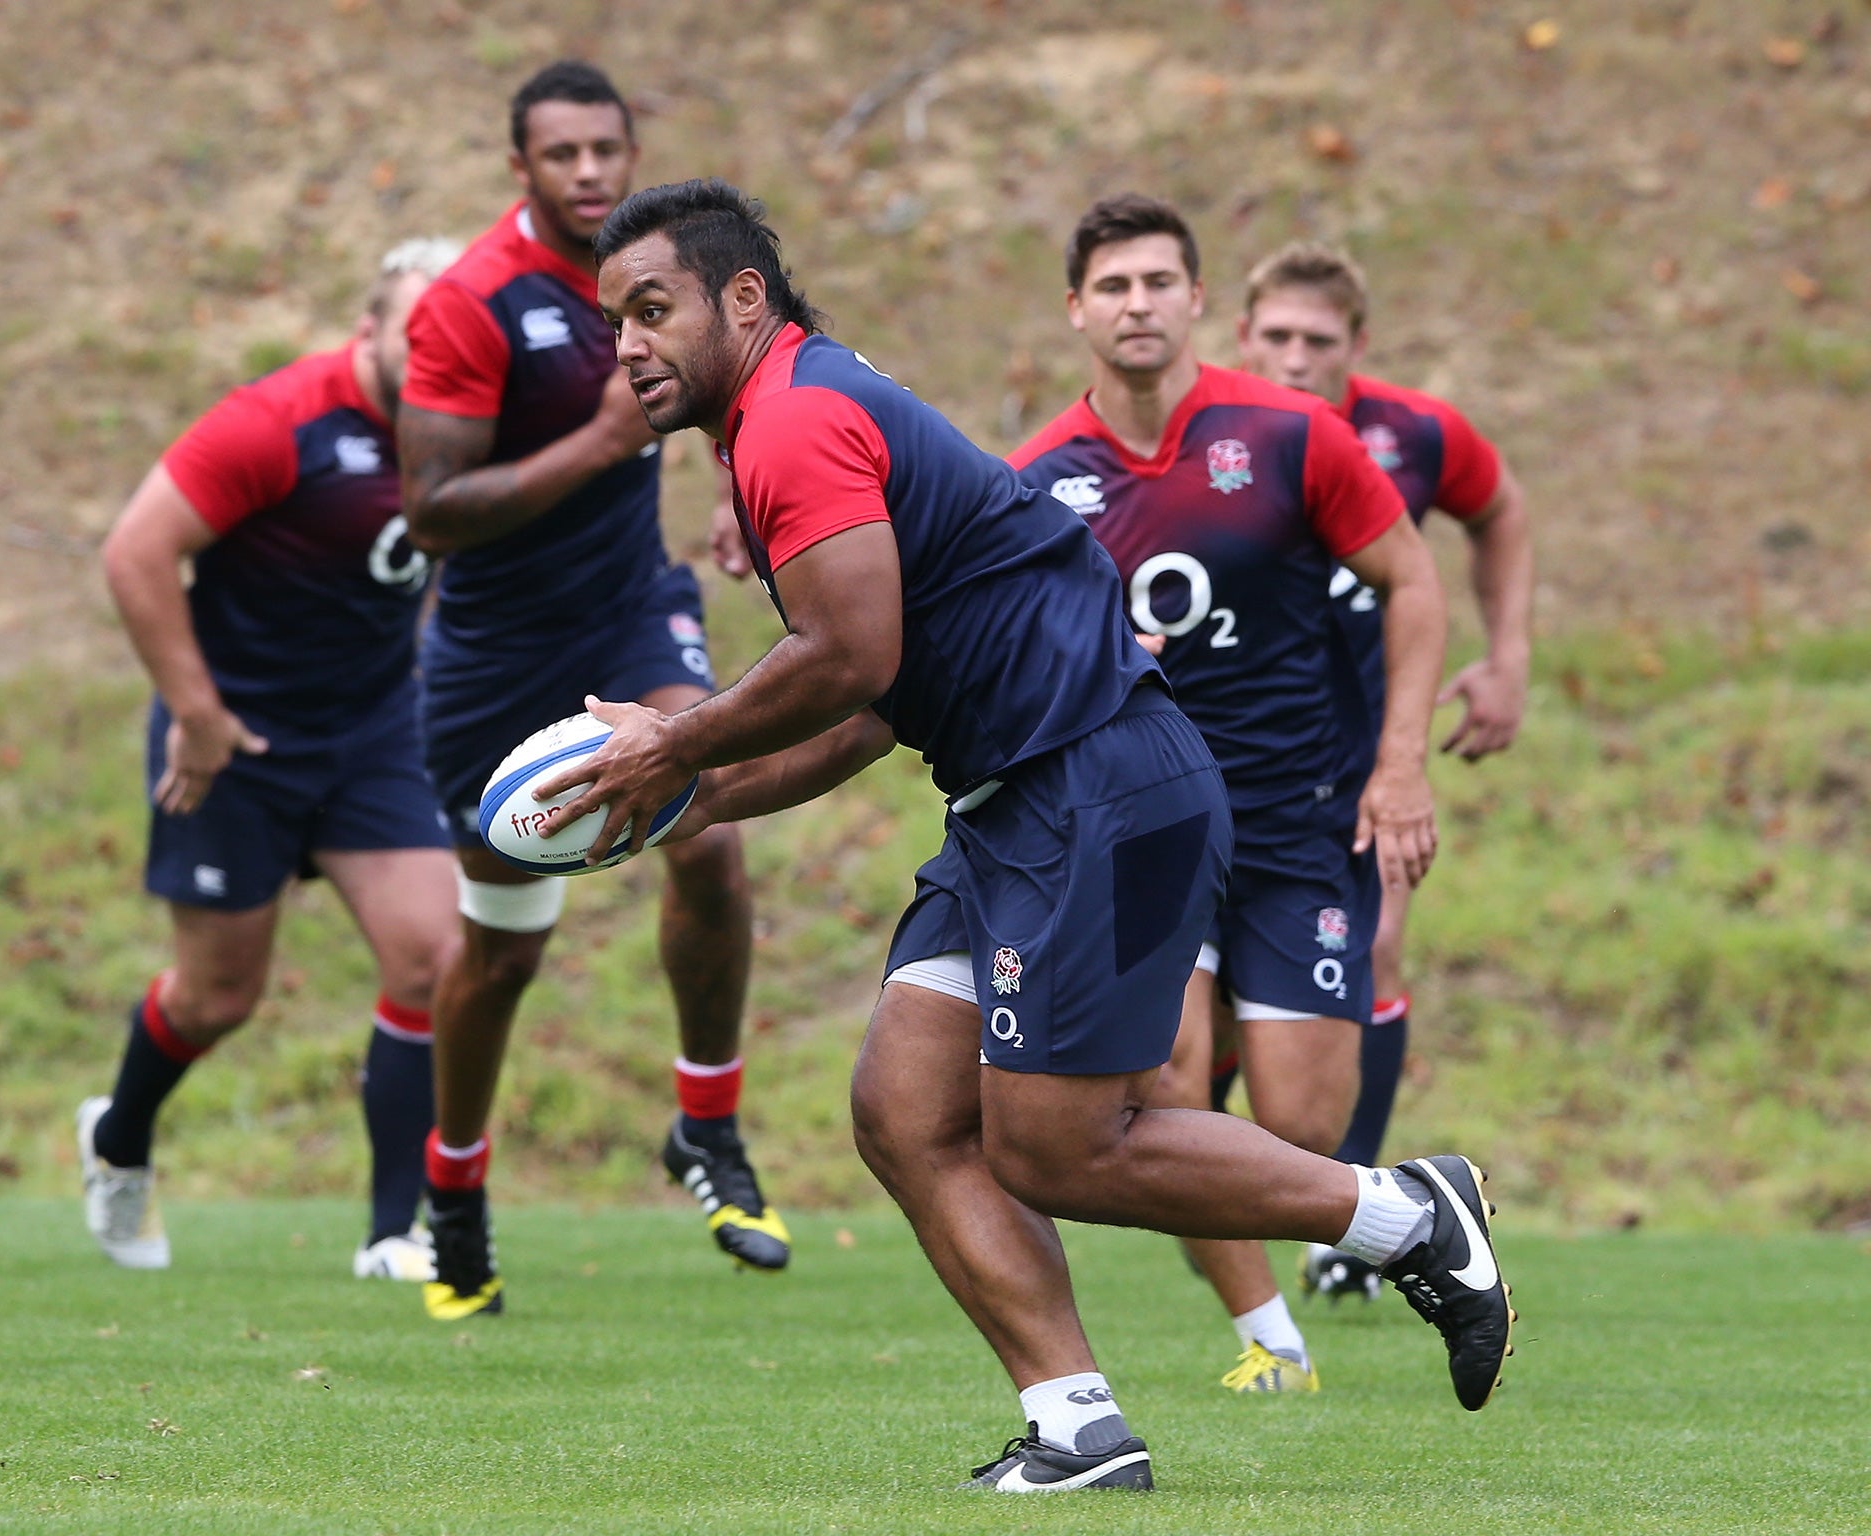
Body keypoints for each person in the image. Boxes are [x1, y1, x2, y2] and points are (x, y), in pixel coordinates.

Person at [546, 177, 1514, 1492]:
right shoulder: (793, 416)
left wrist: (676, 741)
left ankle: (1408, 1214)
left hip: (1095, 781)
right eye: (615, 323)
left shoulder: (797, 418)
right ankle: (1078, 1428)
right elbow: (880, 700)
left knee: (1062, 1145)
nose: (632, 346)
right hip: (1016, 803)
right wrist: (702, 794)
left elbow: (846, 654)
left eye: (652, 309)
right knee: (904, 1109)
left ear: (744, 298)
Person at [1004, 195, 1450, 1393]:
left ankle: (1393, 1219)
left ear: (1199, 301)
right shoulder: (1036, 482)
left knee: (1303, 1122)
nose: (1135, 304)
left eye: (1157, 281)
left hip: (1296, 820)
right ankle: (1271, 1339)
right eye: (1111, 286)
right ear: (1075, 311)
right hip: (1144, 829)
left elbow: (1411, 582)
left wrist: (1398, 762)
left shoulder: (1295, 435)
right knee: (1158, 1082)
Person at [394, 62, 779, 1323]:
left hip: (630, 613)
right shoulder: (469, 303)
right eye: (559, 155)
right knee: (499, 956)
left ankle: (706, 1128)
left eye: (605, 148)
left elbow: (743, 373)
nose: (588, 173)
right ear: (523, 168)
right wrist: (600, 443)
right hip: (495, 657)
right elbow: (433, 513)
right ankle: (452, 1197)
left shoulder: (662, 273)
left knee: (710, 835)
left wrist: (735, 479)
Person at [79, 237, 464, 1281]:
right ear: (368, 332)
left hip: (374, 734)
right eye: (415, 332)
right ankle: (118, 1143)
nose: (438, 356)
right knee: (217, 999)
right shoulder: (278, 421)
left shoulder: (466, 434)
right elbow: (135, 551)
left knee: (431, 955)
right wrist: (194, 714)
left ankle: (393, 1234)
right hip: (234, 738)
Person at [1235, 241, 1533, 1301]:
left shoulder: (1409, 434)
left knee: (1382, 950)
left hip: (1364, 763)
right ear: (1240, 337)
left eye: (1316, 342)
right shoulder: (1216, 440)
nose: (1293, 358)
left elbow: (1496, 510)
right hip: (1227, 771)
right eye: (1274, 337)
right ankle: (1311, 1206)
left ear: (1356, 348)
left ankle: (1350, 1225)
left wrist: (1506, 658)